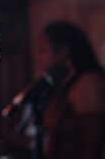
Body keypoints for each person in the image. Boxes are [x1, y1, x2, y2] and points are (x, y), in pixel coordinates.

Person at [37, 21, 105, 159]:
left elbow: (92, 146)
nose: (39, 58)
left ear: (63, 50)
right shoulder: (63, 85)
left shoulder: (88, 82)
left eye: (44, 50)